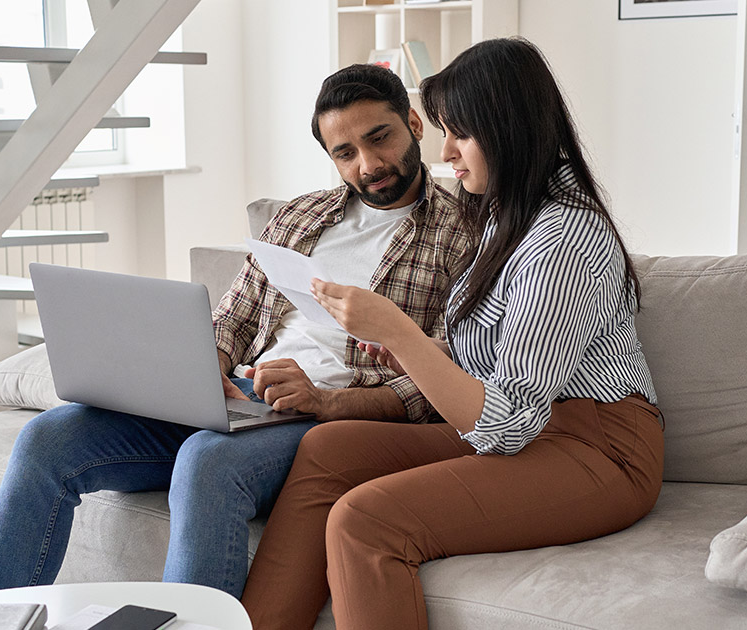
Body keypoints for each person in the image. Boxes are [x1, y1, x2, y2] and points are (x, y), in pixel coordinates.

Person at [0, 63, 470, 599]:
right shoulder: (300, 216)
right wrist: (201, 364)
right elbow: (231, 319)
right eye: (345, 153)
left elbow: (439, 381)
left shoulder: (464, 233)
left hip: (327, 419)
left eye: (380, 138)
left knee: (206, 461)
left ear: (415, 125)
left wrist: (323, 401)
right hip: (237, 398)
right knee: (47, 439)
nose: (368, 165)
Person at [239, 38, 664, 630]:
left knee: (365, 520)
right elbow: (490, 358)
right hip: (534, 429)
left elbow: (509, 424)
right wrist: (393, 344)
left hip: (597, 448)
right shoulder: (506, 217)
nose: (445, 152)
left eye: (458, 134)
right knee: (327, 448)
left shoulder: (564, 238)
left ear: (506, 129)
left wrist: (399, 333)